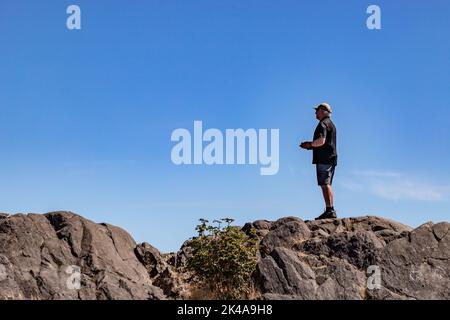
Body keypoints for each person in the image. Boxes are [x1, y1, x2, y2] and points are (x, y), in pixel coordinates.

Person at [300, 103, 338, 220]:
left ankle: (330, 210)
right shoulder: (331, 124)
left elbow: (322, 140)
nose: (315, 113)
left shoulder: (323, 124)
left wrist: (310, 145)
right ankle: (330, 209)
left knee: (325, 184)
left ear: (322, 111)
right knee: (327, 184)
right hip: (331, 157)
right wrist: (311, 146)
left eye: (317, 110)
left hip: (324, 158)